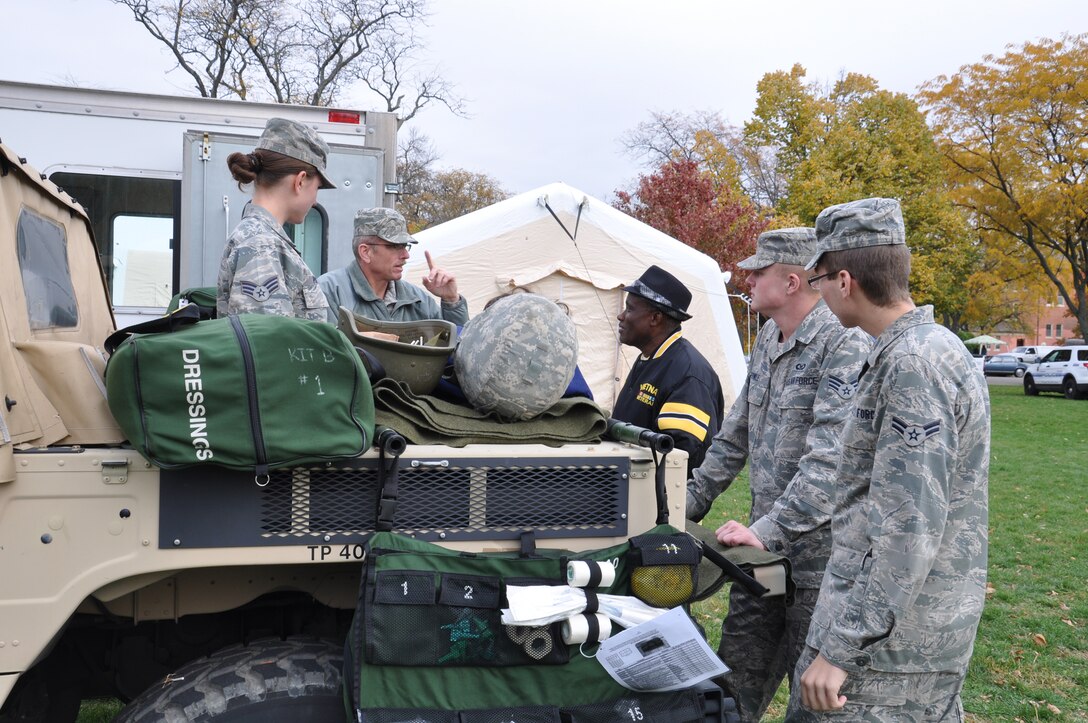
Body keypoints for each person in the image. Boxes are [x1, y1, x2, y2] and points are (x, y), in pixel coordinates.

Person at [790, 198, 990, 721]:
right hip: (901, 637)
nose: (820, 293)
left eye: (819, 280)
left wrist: (840, 650)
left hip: (887, 657)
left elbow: (908, 530)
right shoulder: (927, 349)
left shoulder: (913, 365)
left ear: (845, 280)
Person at [685, 228, 871, 723]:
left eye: (757, 271)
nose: (746, 277)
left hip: (821, 566)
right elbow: (735, 433)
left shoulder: (845, 342)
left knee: (812, 705)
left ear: (792, 282)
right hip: (762, 556)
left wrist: (766, 531)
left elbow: (829, 464)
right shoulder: (770, 335)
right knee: (729, 688)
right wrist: (685, 504)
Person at [217, 117, 335, 322]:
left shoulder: (263, 238)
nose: (315, 201)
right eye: (316, 188)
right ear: (300, 181)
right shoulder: (261, 244)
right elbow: (267, 344)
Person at [613, 265, 724, 476]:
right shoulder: (651, 357)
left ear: (655, 318)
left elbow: (682, 459)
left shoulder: (688, 374)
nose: (621, 316)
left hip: (654, 503)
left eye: (630, 308)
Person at [319, 208, 469, 325]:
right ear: (365, 252)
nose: (406, 255)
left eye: (405, 246)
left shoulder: (418, 301)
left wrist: (451, 301)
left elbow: (456, 351)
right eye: (395, 246)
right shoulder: (329, 292)